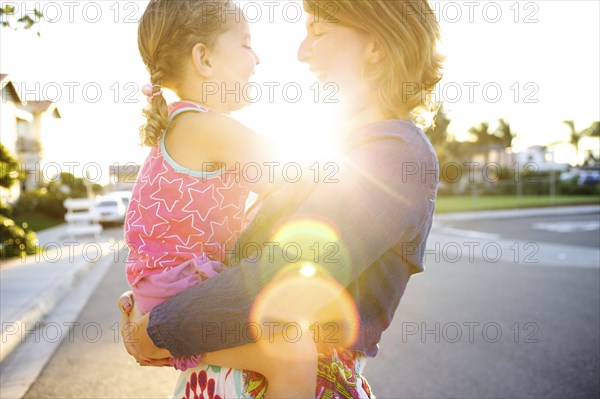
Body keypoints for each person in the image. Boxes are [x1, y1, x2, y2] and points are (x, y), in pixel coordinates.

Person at [120, 0, 444, 397]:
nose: (300, 52)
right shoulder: (331, 157)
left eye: (318, 32)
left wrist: (155, 328)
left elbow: (281, 278)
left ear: (376, 47)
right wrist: (160, 305)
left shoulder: (395, 153)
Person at [125, 0, 320, 397]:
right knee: (293, 355)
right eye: (246, 44)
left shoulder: (187, 125)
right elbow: (299, 176)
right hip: (180, 288)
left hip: (170, 285)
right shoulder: (206, 127)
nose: (258, 59)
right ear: (205, 60)